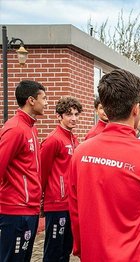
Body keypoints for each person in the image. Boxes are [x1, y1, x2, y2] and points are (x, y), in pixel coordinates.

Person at [68, 69, 140, 261]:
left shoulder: (81, 152)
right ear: (136, 109)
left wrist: (79, 246)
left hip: (93, 253)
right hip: (136, 256)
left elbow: (75, 208)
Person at [0, 80, 48, 261]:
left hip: (30, 209)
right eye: (43, 98)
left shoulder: (31, 128)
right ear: (31, 100)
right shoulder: (15, 129)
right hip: (16, 210)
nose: (46, 102)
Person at [40, 97, 83, 261]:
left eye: (76, 114)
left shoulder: (74, 139)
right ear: (59, 116)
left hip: (70, 203)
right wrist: (41, 201)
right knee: (53, 252)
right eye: (68, 114)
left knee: (65, 251)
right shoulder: (53, 140)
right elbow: (41, 173)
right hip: (56, 204)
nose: (73, 118)